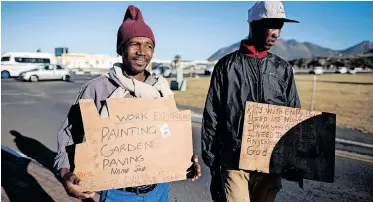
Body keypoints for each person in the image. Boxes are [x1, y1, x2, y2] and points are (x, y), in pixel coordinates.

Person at [54, 5, 201, 202]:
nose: (142, 51)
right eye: (135, 44)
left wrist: (186, 158)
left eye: (149, 46)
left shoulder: (161, 89)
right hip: (118, 192)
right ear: (120, 48)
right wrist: (65, 174)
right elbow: (69, 134)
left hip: (159, 190)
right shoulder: (98, 89)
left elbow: (170, 133)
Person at [202, 1, 301, 202]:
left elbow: (293, 115)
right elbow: (212, 115)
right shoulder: (226, 67)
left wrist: (293, 159)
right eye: (272, 25)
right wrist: (213, 163)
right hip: (234, 163)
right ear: (254, 25)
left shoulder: (283, 69)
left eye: (280, 26)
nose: (277, 33)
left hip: (270, 165)